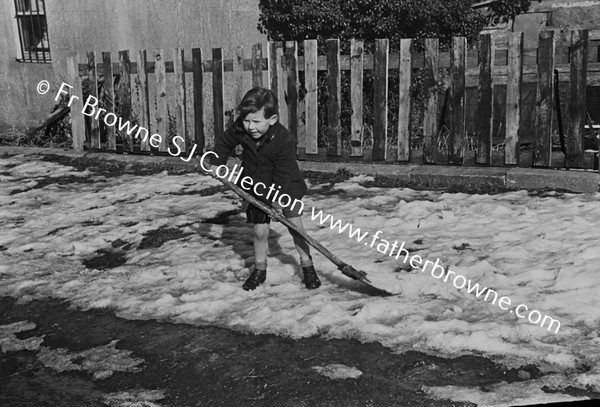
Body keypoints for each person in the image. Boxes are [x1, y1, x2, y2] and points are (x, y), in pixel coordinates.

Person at [209, 87, 320, 291]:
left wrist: (278, 199)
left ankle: (307, 265)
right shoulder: (242, 127)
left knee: (296, 228)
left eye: (256, 122)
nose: (250, 126)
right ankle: (260, 270)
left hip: (286, 187)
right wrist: (217, 162)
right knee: (260, 231)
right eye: (246, 120)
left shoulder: (284, 139)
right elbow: (225, 143)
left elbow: (283, 172)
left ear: (273, 119)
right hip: (256, 185)